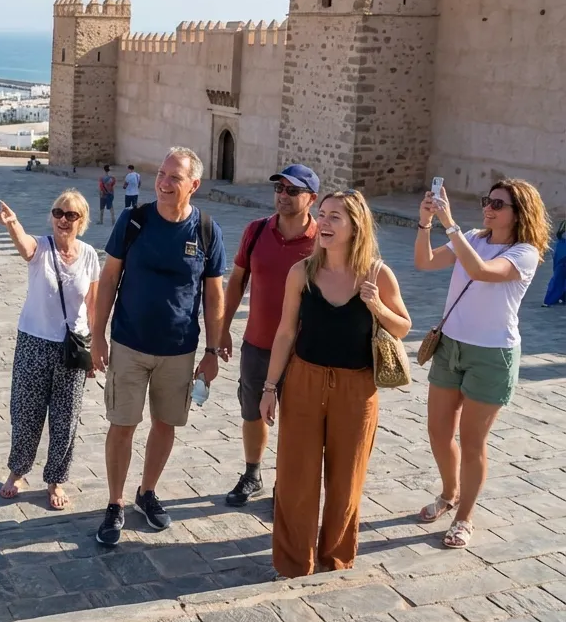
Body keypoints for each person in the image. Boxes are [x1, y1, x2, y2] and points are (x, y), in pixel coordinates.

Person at [262, 190, 411, 578]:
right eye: (323, 214)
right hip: (304, 382)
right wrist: (269, 387)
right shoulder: (302, 272)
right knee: (295, 478)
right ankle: (294, 562)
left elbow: (403, 327)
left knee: (346, 480)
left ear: (355, 226)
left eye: (335, 217)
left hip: (356, 389)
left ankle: (335, 558)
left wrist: (377, 305)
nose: (324, 223)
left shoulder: (377, 274)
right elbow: (285, 332)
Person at [90, 147, 226, 545]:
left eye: (174, 178)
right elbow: (109, 278)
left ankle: (146, 492)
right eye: (161, 174)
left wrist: (213, 351)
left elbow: (214, 295)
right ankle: (114, 502)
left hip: (179, 349)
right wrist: (97, 336)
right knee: (122, 424)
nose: (163, 183)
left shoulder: (207, 230)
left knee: (165, 424)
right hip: (129, 343)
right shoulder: (134, 221)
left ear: (194, 185)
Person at [414, 180, 549, 549]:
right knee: (438, 432)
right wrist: (426, 222)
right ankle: (449, 493)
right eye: (487, 201)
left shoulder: (525, 252)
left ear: (519, 213)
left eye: (498, 204)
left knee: (472, 442)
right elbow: (424, 262)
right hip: (451, 346)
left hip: (492, 355)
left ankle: (464, 517)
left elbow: (482, 271)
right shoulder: (472, 237)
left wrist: (450, 224)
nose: (488, 208)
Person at [221, 165, 319, 507]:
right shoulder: (256, 230)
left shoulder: (322, 241)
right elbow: (237, 281)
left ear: (312, 199)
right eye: (279, 189)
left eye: (293, 191)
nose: (283, 196)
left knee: (297, 420)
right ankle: (252, 473)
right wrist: (223, 329)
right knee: (251, 410)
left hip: (303, 350)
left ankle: (286, 483)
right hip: (258, 342)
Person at [0, 191, 99, 510]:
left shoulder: (89, 255)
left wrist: (96, 345)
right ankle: (17, 471)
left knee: (66, 418)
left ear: (82, 220)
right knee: (25, 412)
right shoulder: (41, 247)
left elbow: (93, 304)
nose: (63, 220)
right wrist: (13, 224)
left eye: (70, 215)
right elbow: (25, 246)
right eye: (58, 213)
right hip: (34, 341)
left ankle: (56, 479)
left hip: (73, 346)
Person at [543, 220, 566, 306]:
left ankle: (559, 297)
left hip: (561, 251)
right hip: (563, 253)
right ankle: (551, 299)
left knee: (559, 276)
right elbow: (560, 235)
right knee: (559, 276)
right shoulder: (564, 223)